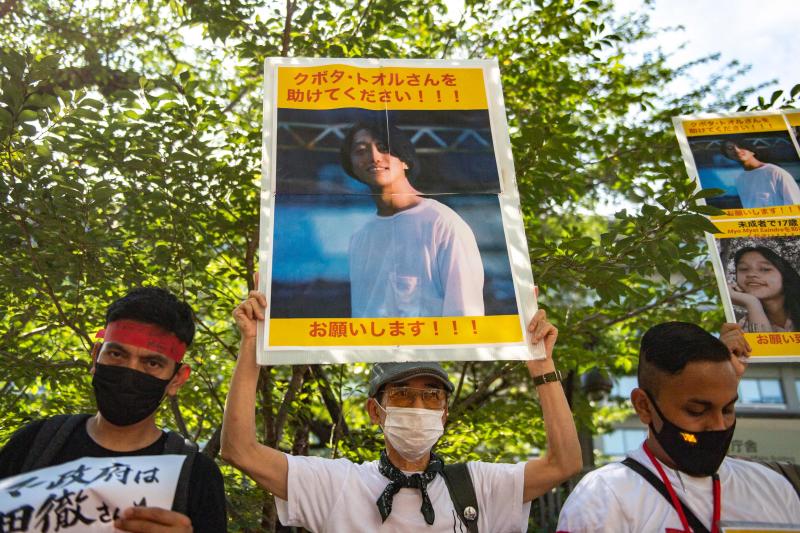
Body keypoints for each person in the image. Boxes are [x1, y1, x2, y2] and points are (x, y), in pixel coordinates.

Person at [222, 290, 582, 532]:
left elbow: (563, 464)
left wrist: (542, 366)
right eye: (402, 394)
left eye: (431, 396)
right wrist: (252, 346)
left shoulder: (478, 486)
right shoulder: (336, 485)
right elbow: (240, 450)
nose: (418, 406)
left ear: (444, 413)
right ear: (375, 411)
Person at [0, 287, 227, 533]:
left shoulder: (195, 476)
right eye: (117, 354)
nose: (130, 373)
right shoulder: (33, 444)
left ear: (177, 379)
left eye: (152, 363)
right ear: (96, 356)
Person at [556, 322, 800, 532]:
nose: (718, 426)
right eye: (696, 411)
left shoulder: (774, 487)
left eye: (727, 409)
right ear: (644, 406)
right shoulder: (603, 497)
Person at [340, 120, 485, 318]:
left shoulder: (442, 223)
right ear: (352, 167)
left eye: (383, 148)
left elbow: (465, 314)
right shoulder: (360, 237)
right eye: (361, 151)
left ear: (405, 160)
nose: (374, 157)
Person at [728, 245, 800, 332]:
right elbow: (764, 344)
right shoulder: (741, 326)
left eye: (765, 269)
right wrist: (752, 302)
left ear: (785, 275)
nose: (751, 274)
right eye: (744, 269)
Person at [720, 139, 800, 208]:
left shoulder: (775, 172)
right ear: (727, 156)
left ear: (752, 151)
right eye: (730, 148)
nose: (737, 150)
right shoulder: (740, 179)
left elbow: (795, 203)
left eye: (740, 146)